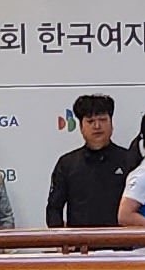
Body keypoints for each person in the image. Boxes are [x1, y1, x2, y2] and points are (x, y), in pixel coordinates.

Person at [44, 93, 139, 230]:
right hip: (80, 241)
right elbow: (54, 209)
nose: (97, 126)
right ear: (81, 127)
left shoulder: (129, 160)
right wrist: (61, 237)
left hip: (121, 240)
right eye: (90, 121)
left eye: (103, 120)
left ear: (111, 123)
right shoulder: (67, 164)